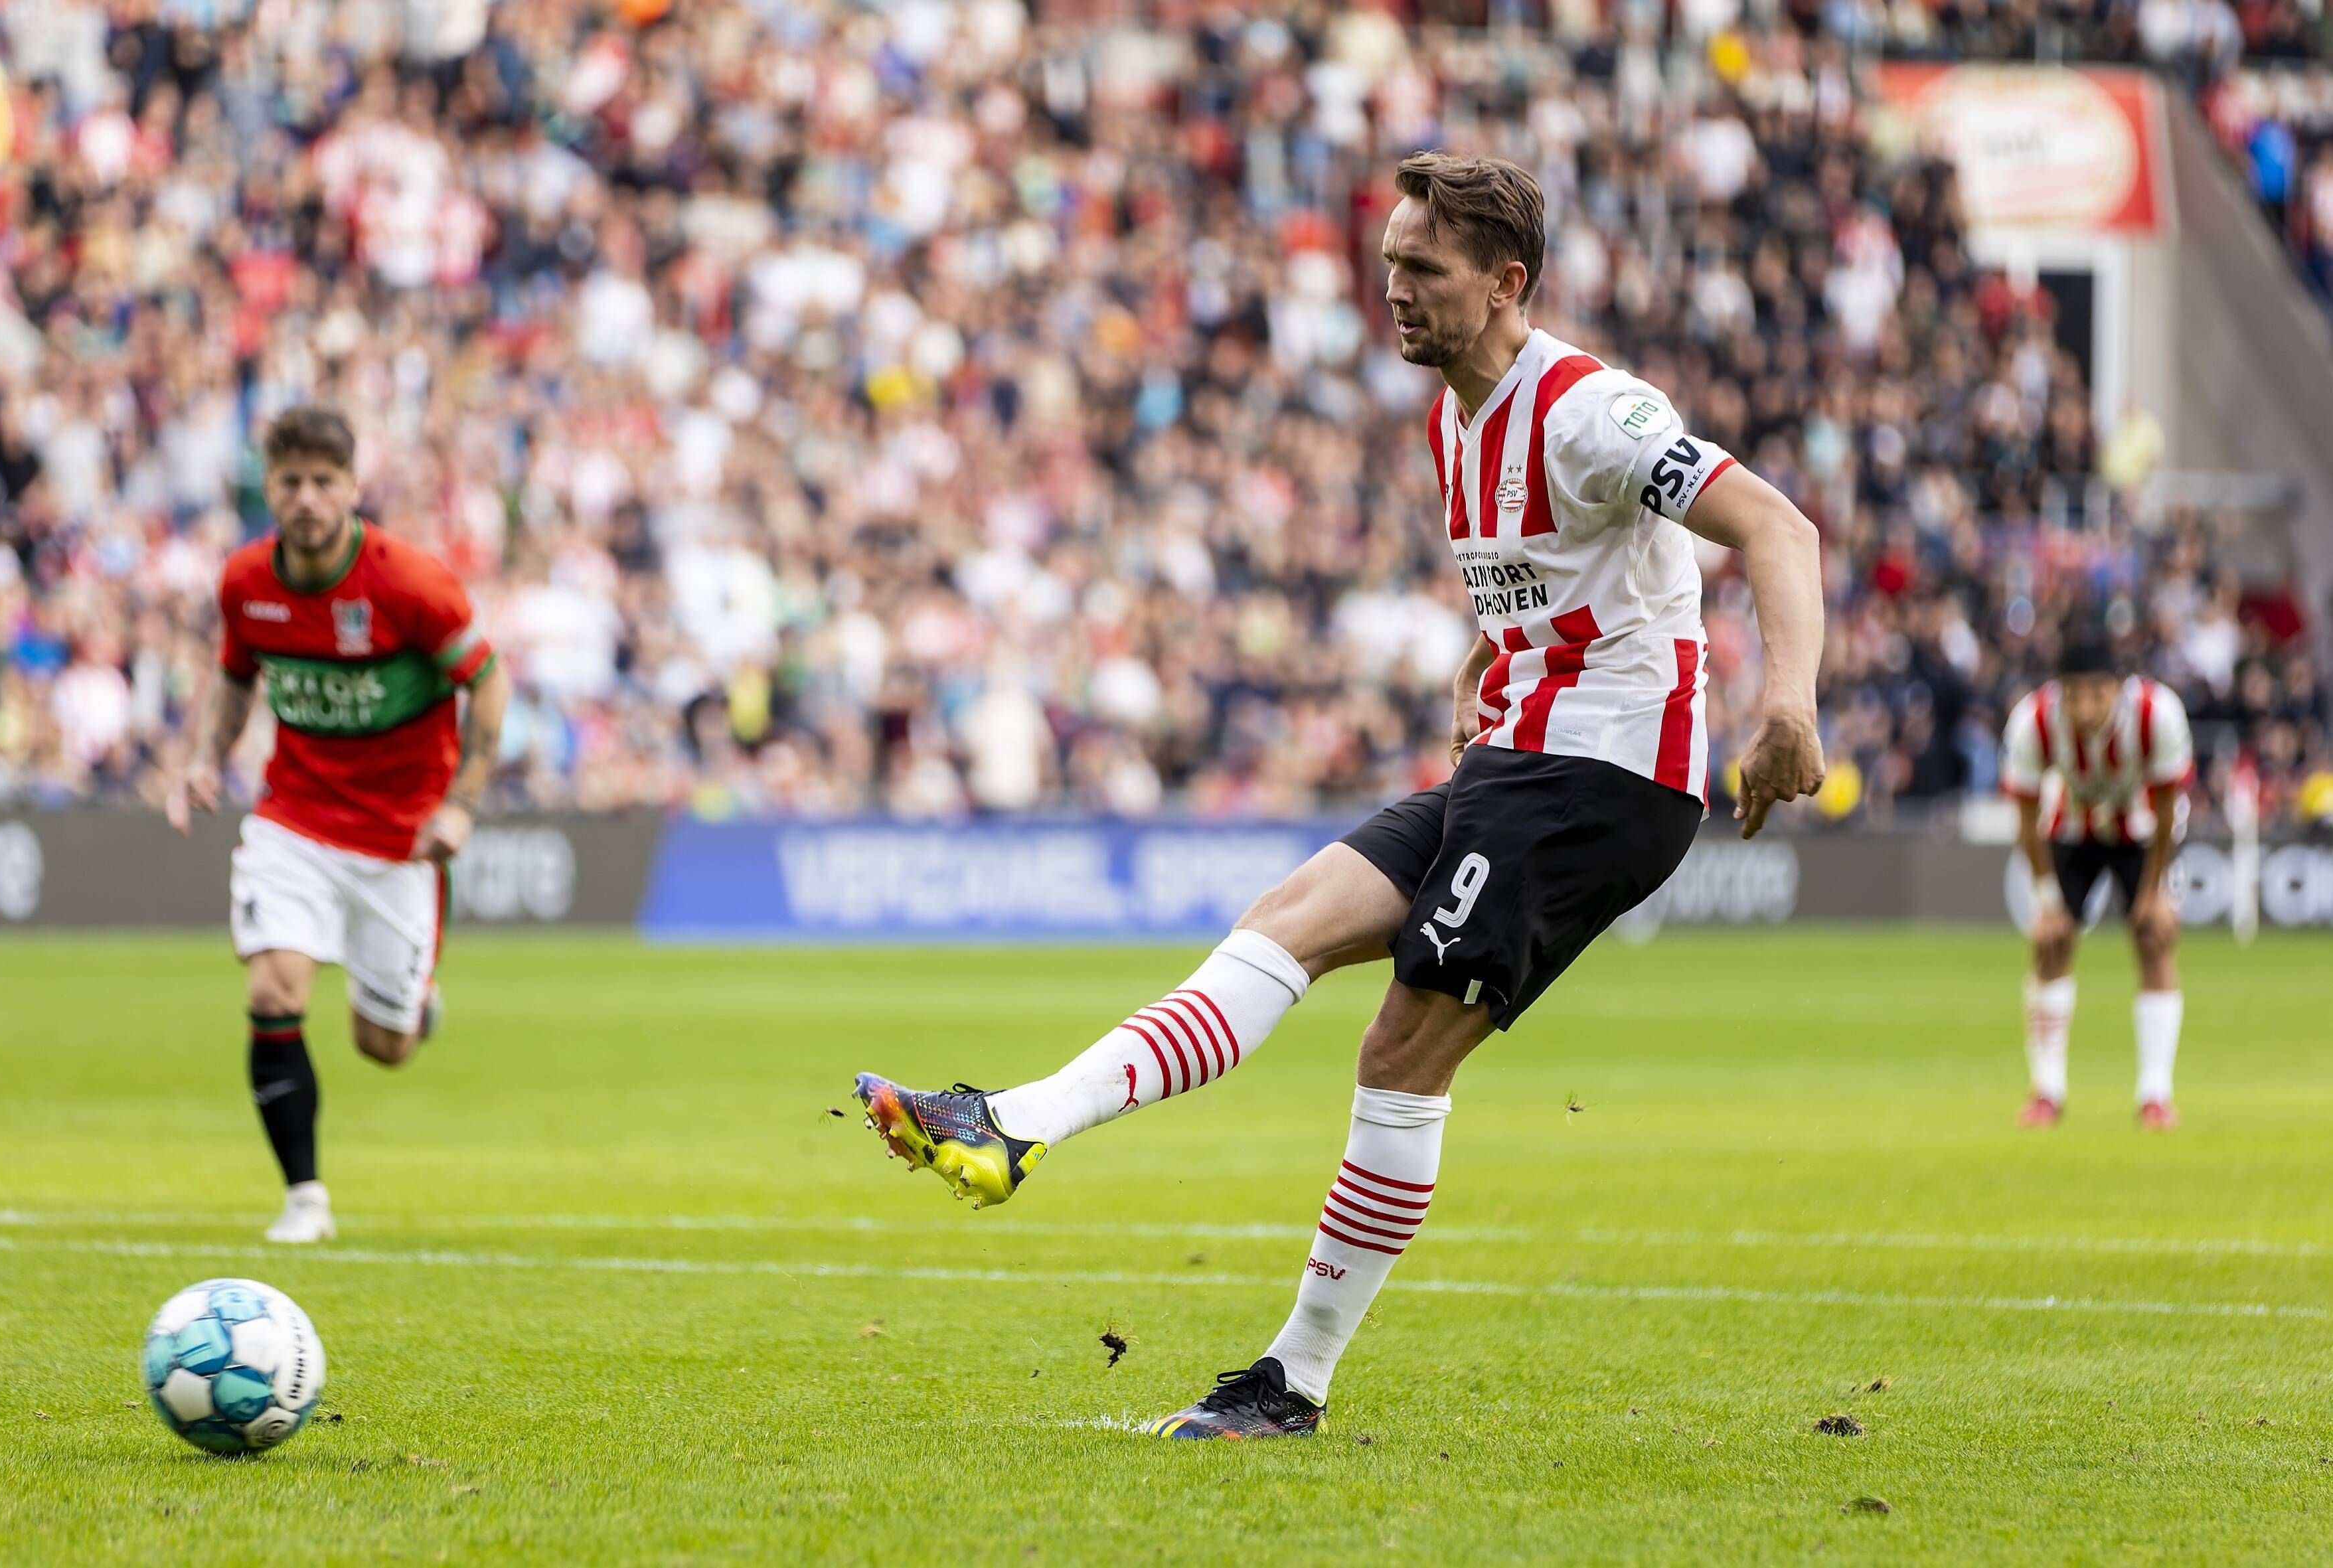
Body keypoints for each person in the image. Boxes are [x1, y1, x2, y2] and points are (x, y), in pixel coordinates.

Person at [851, 152, 1827, 1438]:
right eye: (1388, 268)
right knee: (1288, 916)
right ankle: (1011, 1120)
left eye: (1423, 270)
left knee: (1400, 1047)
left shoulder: (1594, 410)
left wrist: (1788, 704)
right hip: (1513, 756)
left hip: (1603, 776)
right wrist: (1492, 650)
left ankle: (1292, 1380)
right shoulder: (1450, 419)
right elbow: (1542, 579)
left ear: (1504, 283)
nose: (1395, 293)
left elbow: (1775, 525)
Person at [166, 406, 510, 1243]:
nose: (308, 498)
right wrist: (208, 757)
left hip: (399, 839)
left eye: (325, 482)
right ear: (269, 488)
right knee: (273, 987)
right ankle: (304, 1199)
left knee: (383, 1047)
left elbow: (488, 680)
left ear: (354, 488)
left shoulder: (409, 584)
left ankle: (413, 995)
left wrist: (460, 802)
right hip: (294, 821)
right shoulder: (246, 582)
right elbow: (236, 677)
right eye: (291, 482)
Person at [2000, 637, 2194, 1130]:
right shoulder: (2033, 722)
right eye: (2075, 695)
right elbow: (2025, 820)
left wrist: (2154, 894)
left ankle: (2156, 1095)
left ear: (2120, 689)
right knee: (2051, 943)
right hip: (2071, 829)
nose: (2086, 709)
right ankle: (2047, 1091)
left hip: (2144, 831)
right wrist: (2047, 902)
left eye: (2097, 695)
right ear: (2058, 692)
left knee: (2153, 936)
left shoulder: (2159, 715)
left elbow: (2170, 811)